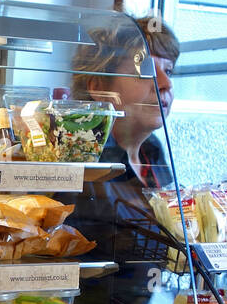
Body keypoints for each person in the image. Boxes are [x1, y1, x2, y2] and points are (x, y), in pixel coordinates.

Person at [68, 13, 179, 221]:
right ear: (99, 87)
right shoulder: (81, 161)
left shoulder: (152, 152)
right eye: (146, 70)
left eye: (169, 71)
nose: (166, 83)